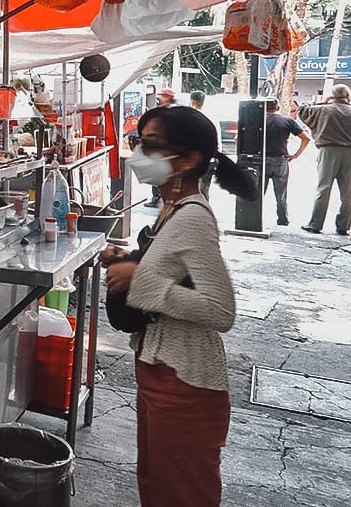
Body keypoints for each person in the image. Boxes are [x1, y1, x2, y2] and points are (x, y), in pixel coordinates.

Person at [100, 105, 258, 506]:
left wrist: (140, 278)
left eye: (150, 146)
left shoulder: (193, 218)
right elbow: (171, 271)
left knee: (181, 494)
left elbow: (220, 310)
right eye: (138, 141)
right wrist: (128, 260)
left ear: (188, 161)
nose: (138, 153)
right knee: (156, 486)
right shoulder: (168, 209)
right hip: (158, 370)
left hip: (185, 382)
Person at [296, 85, 351, 236]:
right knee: (348, 193)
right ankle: (343, 227)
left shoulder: (322, 110)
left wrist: (323, 102)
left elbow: (302, 110)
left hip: (328, 151)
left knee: (323, 188)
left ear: (331, 97)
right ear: (348, 97)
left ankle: (315, 224)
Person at [263, 99, 309, 226]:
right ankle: (282, 219)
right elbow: (306, 138)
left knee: (259, 192)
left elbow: (238, 137)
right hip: (280, 160)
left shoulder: (258, 120)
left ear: (263, 107)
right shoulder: (287, 120)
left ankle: (256, 218)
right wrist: (295, 155)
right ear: (277, 107)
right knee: (281, 193)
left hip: (261, 160)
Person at [141, 88, 179, 206]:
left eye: (161, 96)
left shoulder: (171, 112)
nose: (159, 98)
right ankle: (158, 197)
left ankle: (159, 197)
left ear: (167, 98)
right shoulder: (166, 110)